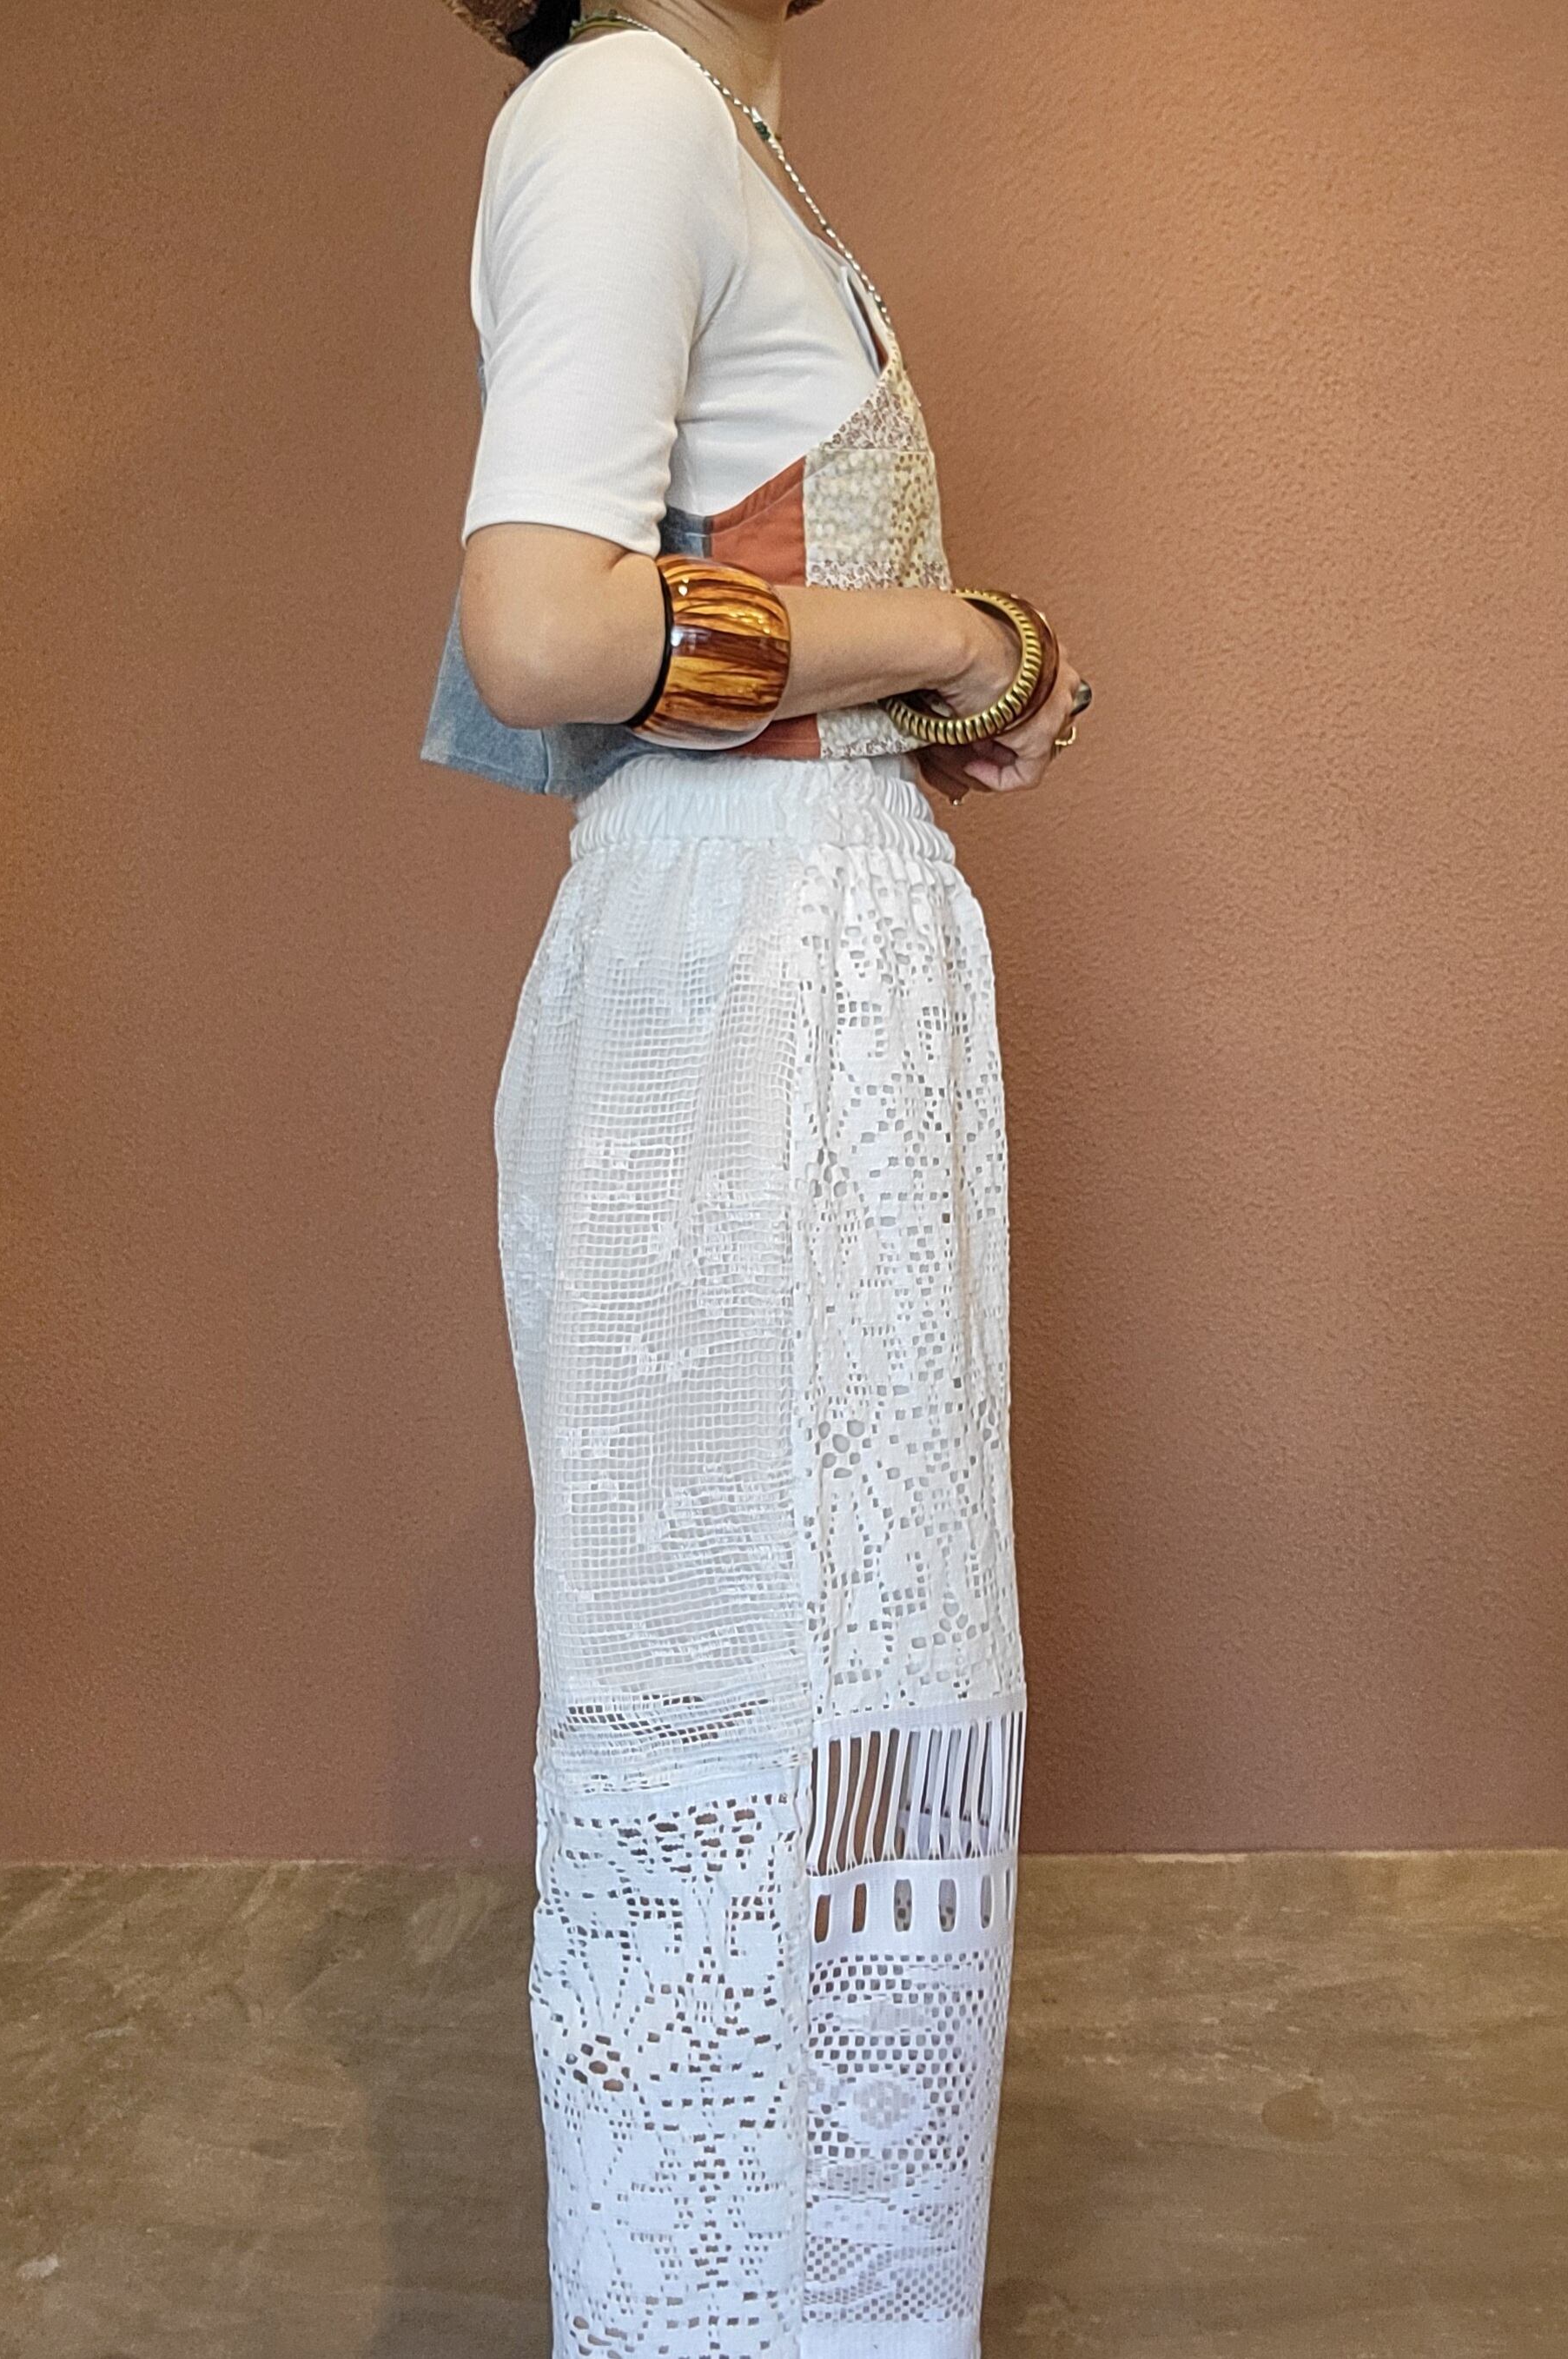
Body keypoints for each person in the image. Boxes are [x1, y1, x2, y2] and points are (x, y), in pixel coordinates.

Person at [423, 4, 1090, 2352]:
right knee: (738, 1686)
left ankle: (829, 2296)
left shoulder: (730, 139)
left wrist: (917, 695)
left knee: (854, 1681)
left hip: (814, 972)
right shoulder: (623, 100)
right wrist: (955, 634)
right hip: (741, 999)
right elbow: (542, 624)